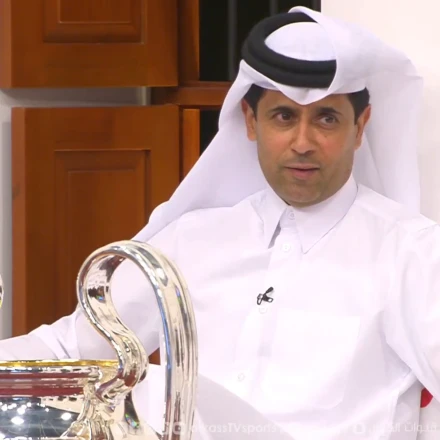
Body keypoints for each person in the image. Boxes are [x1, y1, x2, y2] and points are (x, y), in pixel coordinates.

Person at [0, 5, 438, 439]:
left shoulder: (413, 255)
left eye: (327, 118)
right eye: (284, 116)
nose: (303, 142)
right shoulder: (191, 241)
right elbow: (74, 349)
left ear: (359, 127)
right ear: (251, 121)